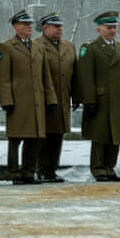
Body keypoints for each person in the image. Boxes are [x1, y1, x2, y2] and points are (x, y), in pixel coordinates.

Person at [72, 11, 120, 182]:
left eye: (114, 27)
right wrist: (89, 100)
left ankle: (109, 167)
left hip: (119, 100)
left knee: (116, 136)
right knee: (100, 135)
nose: (112, 31)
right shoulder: (90, 47)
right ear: (99, 29)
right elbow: (85, 76)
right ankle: (98, 168)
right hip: (101, 99)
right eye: (109, 28)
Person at [0, 11, 53, 185]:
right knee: (15, 139)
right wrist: (7, 100)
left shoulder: (37, 47)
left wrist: (51, 99)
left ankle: (28, 172)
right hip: (18, 101)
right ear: (15, 26)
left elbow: (45, 76)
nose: (28, 27)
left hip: (36, 101)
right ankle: (14, 173)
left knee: (34, 138)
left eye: (30, 24)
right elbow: (3, 77)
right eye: (24, 24)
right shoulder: (7, 47)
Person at [35, 15, 77, 182]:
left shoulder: (69, 46)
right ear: (45, 28)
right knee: (44, 136)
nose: (59, 29)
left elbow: (76, 74)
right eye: (55, 26)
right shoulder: (37, 46)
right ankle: (41, 169)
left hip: (63, 97)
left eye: (60, 26)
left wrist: (77, 96)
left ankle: (52, 169)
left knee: (58, 135)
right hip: (44, 98)